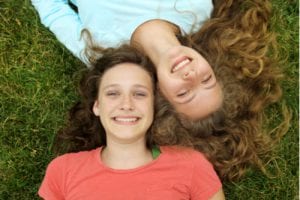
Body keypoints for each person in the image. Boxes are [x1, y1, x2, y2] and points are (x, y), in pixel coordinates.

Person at [32, 0, 290, 181]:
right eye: (207, 80)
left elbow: (53, 10)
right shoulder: (198, 9)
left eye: (184, 93)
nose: (191, 76)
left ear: (157, 94)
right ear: (214, 66)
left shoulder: (102, 50)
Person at [38, 45, 225, 199]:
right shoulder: (63, 170)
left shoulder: (191, 165)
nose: (126, 104)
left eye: (139, 94)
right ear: (97, 106)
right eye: (113, 93)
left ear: (153, 105)